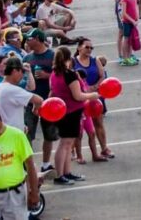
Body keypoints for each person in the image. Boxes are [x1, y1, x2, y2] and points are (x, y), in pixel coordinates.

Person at [49, 46, 99, 185]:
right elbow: (78, 96)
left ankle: (66, 172)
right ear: (69, 59)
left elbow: (53, 91)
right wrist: (92, 95)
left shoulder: (54, 74)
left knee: (67, 144)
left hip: (63, 111)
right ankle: (60, 175)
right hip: (71, 112)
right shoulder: (69, 74)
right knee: (65, 144)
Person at [23, 32, 58, 173]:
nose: (26, 41)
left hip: (48, 100)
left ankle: (46, 163)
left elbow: (60, 75)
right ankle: (29, 166)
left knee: (49, 134)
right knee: (27, 134)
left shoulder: (52, 55)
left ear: (38, 39)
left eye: (29, 38)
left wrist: (46, 75)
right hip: (30, 101)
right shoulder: (27, 57)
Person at [72, 38, 112, 160]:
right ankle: (74, 152)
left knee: (98, 123)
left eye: (91, 48)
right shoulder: (73, 62)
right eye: (87, 47)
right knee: (77, 128)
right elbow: (69, 78)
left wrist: (94, 87)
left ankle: (104, 148)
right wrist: (83, 89)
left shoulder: (95, 61)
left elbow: (102, 76)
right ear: (79, 48)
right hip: (79, 99)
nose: (89, 50)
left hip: (95, 97)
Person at [0, 57, 41, 130]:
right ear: (15, 71)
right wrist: (35, 110)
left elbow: (31, 88)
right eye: (22, 71)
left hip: (1, 131)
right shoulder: (12, 90)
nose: (22, 75)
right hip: (12, 133)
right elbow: (39, 100)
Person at [119, 0, 141, 66]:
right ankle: (125, 58)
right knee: (126, 39)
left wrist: (137, 19)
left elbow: (136, 9)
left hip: (133, 22)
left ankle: (129, 56)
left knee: (131, 40)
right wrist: (132, 21)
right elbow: (124, 13)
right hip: (127, 22)